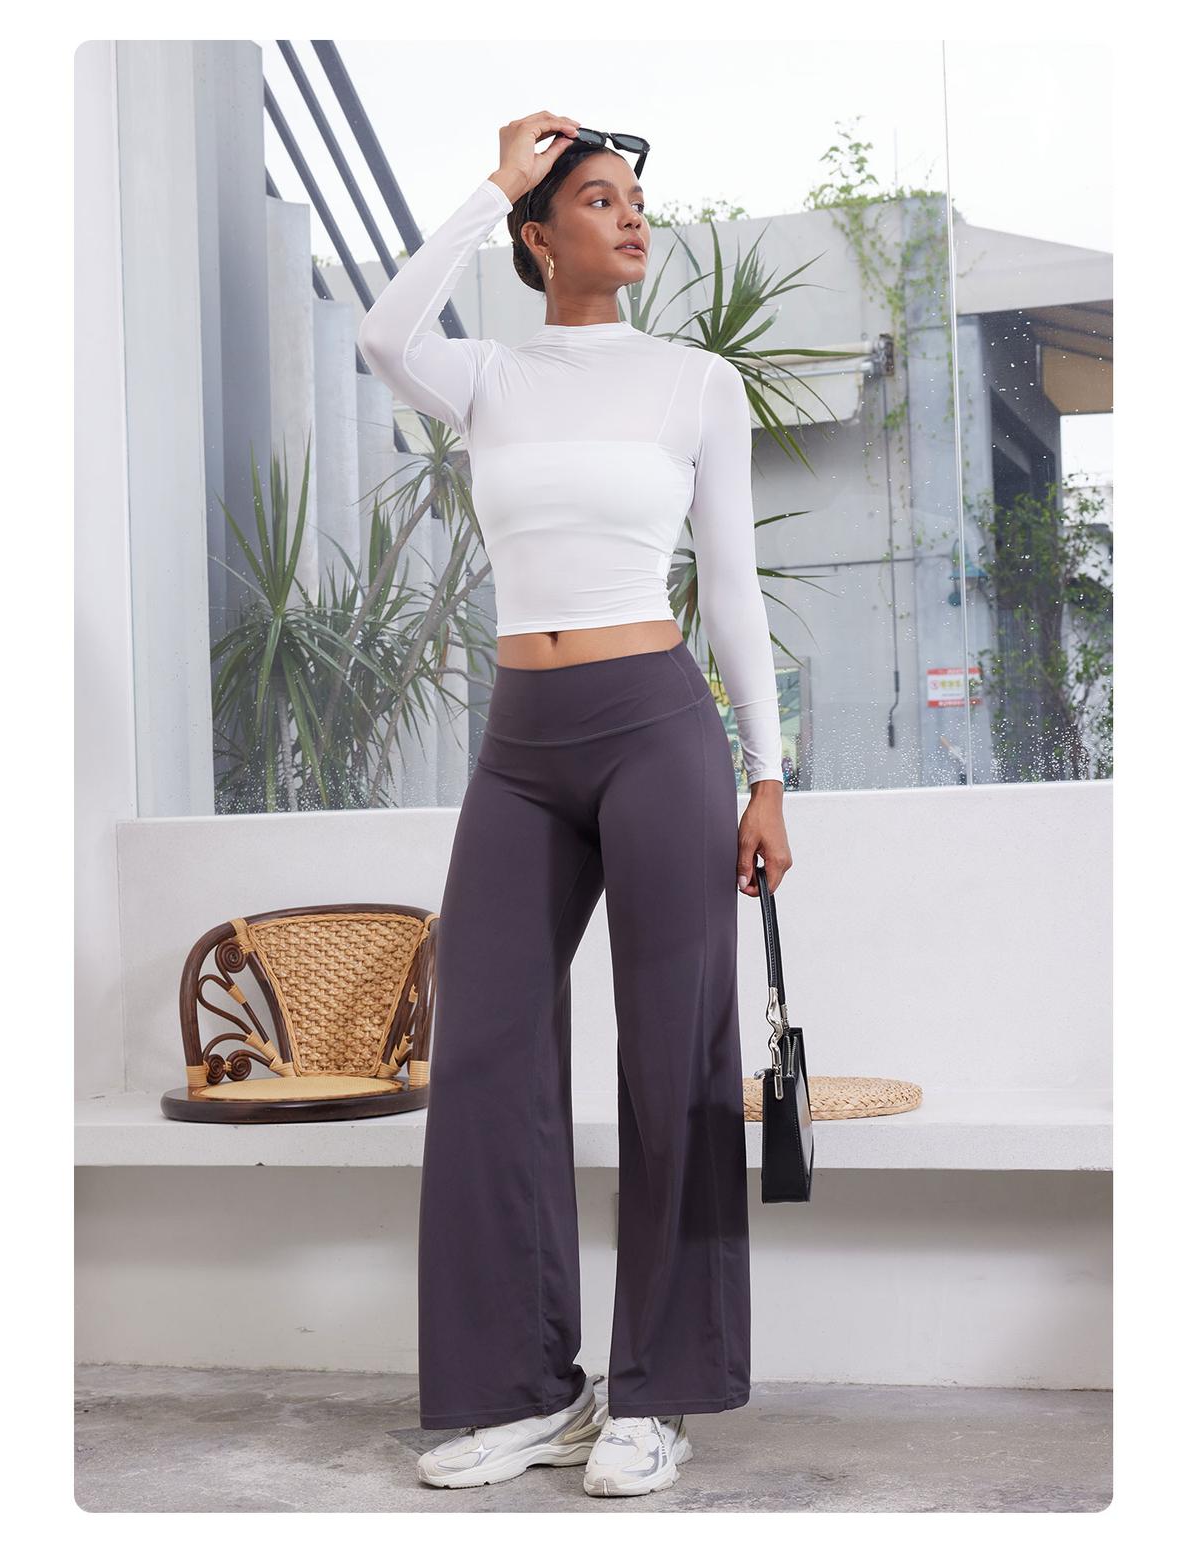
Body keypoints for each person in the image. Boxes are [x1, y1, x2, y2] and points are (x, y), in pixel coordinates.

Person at [357, 111, 792, 1498]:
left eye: (636, 199)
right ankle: (525, 1390)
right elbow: (381, 331)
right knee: (487, 1051)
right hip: (522, 744)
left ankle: (658, 1393)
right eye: (598, 199)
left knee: (673, 1055)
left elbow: (731, 588)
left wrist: (768, 772)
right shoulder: (488, 376)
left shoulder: (693, 384)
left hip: (658, 728)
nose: (631, 216)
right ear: (538, 238)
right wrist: (492, 179)